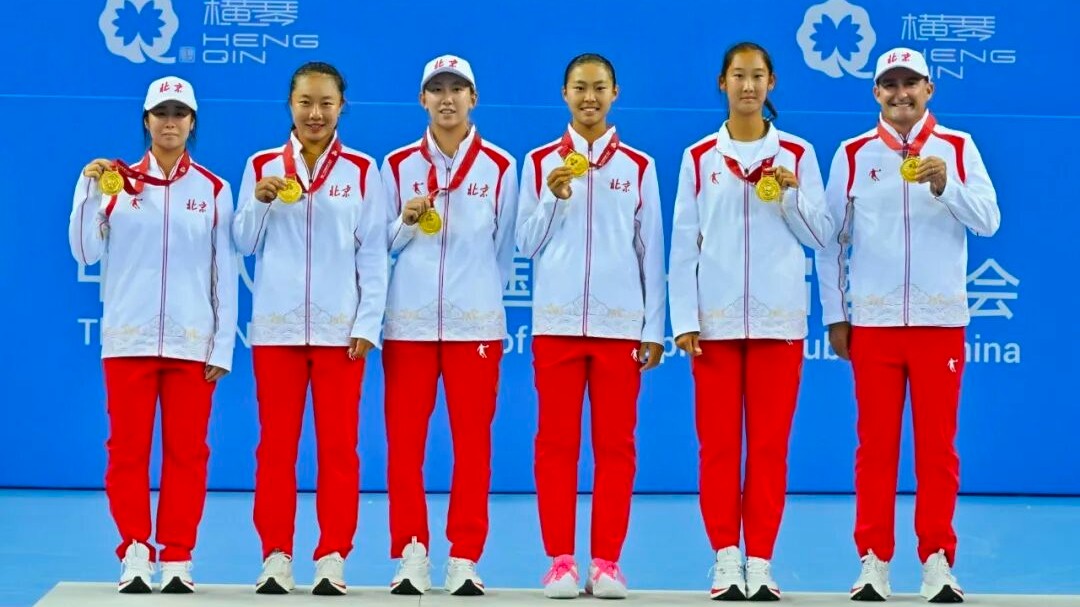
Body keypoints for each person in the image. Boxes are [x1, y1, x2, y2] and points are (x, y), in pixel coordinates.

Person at [815, 48, 1000, 603]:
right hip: (873, 322)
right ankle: (873, 560)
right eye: (889, 85)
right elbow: (830, 243)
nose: (900, 94)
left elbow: (989, 222)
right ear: (876, 93)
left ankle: (938, 559)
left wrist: (949, 187)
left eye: (910, 84)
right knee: (875, 446)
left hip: (939, 321)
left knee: (937, 447)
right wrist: (835, 315)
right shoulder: (852, 155)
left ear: (929, 89)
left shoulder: (959, 149)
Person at [669, 41, 832, 601]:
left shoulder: (799, 155)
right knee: (717, 448)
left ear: (772, 83)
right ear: (722, 83)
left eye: (757, 76)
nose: (747, 86)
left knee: (768, 447)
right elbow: (682, 247)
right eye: (738, 76)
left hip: (778, 325)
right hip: (713, 329)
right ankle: (725, 558)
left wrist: (791, 195)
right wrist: (684, 317)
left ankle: (760, 559)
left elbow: (822, 238)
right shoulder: (698, 158)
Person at [69, 76, 237, 594]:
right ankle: (136, 551)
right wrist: (87, 190)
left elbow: (223, 273)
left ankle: (179, 557)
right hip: (128, 341)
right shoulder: (115, 185)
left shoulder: (212, 189)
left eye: (179, 114)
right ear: (146, 121)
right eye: (160, 113)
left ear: (192, 123)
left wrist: (222, 345)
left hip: (191, 343)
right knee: (127, 451)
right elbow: (83, 252)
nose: (170, 122)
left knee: (188, 452)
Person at [233, 61, 388, 596]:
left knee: (339, 449)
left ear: (342, 106)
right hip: (276, 332)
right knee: (275, 447)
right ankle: (275, 553)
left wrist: (368, 322)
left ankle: (332, 555)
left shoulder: (365, 172)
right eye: (306, 102)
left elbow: (374, 256)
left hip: (339, 335)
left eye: (326, 103)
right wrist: (258, 203)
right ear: (290, 105)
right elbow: (242, 244)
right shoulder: (260, 166)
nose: (316, 113)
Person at [516, 53, 665, 599]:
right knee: (555, 444)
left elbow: (652, 253)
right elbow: (524, 244)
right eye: (580, 88)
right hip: (556, 325)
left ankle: (606, 561)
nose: (589, 98)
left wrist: (654, 328)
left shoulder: (639, 167)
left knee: (616, 446)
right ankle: (559, 559)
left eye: (599, 88)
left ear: (615, 93)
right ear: (564, 94)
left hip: (619, 328)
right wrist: (553, 201)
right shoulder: (536, 164)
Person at [380, 54, 518, 596]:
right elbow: (378, 248)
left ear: (473, 99)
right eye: (436, 89)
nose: (447, 99)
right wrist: (404, 223)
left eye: (457, 89)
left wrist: (479, 298)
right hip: (408, 327)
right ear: (422, 100)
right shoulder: (394, 167)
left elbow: (504, 253)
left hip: (475, 329)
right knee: (404, 444)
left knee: (472, 446)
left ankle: (465, 555)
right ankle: (411, 551)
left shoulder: (502, 168)